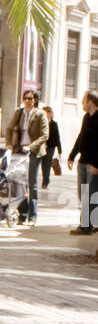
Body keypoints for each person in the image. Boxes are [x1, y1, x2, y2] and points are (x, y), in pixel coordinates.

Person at [5, 88, 49, 224]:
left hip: (34, 152)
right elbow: (9, 129)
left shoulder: (40, 114)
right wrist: (9, 143)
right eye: (25, 98)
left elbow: (45, 135)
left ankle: (33, 216)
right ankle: (22, 215)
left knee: (32, 183)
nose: (27, 101)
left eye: (30, 98)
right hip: (20, 150)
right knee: (20, 182)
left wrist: (31, 146)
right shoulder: (19, 113)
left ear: (35, 100)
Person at [67, 90, 98, 235]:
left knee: (91, 195)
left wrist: (96, 164)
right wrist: (72, 155)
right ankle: (93, 222)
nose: (81, 103)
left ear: (90, 102)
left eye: (84, 100)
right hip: (83, 161)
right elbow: (81, 137)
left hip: (93, 164)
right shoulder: (86, 117)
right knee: (84, 193)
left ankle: (86, 226)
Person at [41, 106, 62, 188]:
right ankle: (45, 179)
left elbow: (57, 137)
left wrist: (60, 150)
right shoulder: (41, 122)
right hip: (42, 146)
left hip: (51, 147)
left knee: (47, 163)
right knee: (43, 164)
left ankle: (45, 182)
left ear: (50, 114)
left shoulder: (54, 124)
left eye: (47, 112)